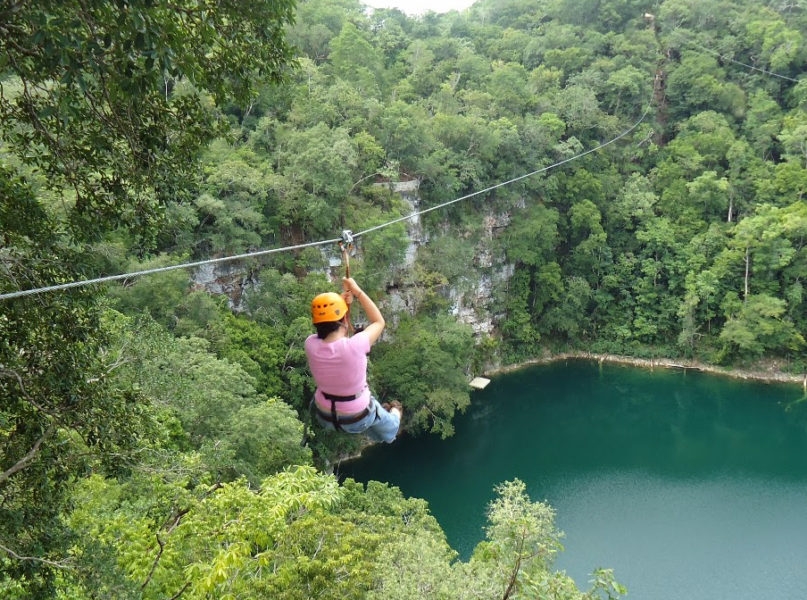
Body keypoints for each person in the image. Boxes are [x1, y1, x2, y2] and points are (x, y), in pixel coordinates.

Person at [305, 277, 402, 443]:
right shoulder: (355, 346)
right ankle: (395, 410)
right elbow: (379, 321)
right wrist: (357, 292)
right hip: (358, 417)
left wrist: (343, 306)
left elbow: (337, 340)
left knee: (368, 420)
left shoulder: (310, 344)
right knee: (390, 430)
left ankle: (377, 418)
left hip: (325, 416)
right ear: (343, 320)